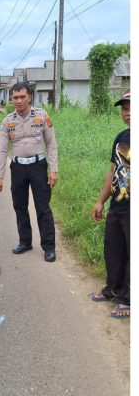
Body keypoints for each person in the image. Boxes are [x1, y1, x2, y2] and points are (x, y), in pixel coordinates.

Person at [0, 81, 58, 262]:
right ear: (11, 99)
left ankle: (49, 247)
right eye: (15, 97)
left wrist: (54, 169)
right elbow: (2, 150)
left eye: (22, 97)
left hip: (38, 166)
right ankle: (25, 241)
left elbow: (51, 143)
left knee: (42, 207)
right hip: (18, 168)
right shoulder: (7, 122)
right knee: (19, 206)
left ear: (29, 96)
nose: (19, 101)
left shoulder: (42, 116)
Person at [90, 89, 130, 319]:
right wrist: (100, 200)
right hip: (118, 205)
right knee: (113, 250)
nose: (127, 112)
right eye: (124, 108)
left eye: (131, 107)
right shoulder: (121, 138)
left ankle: (127, 299)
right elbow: (113, 170)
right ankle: (113, 289)